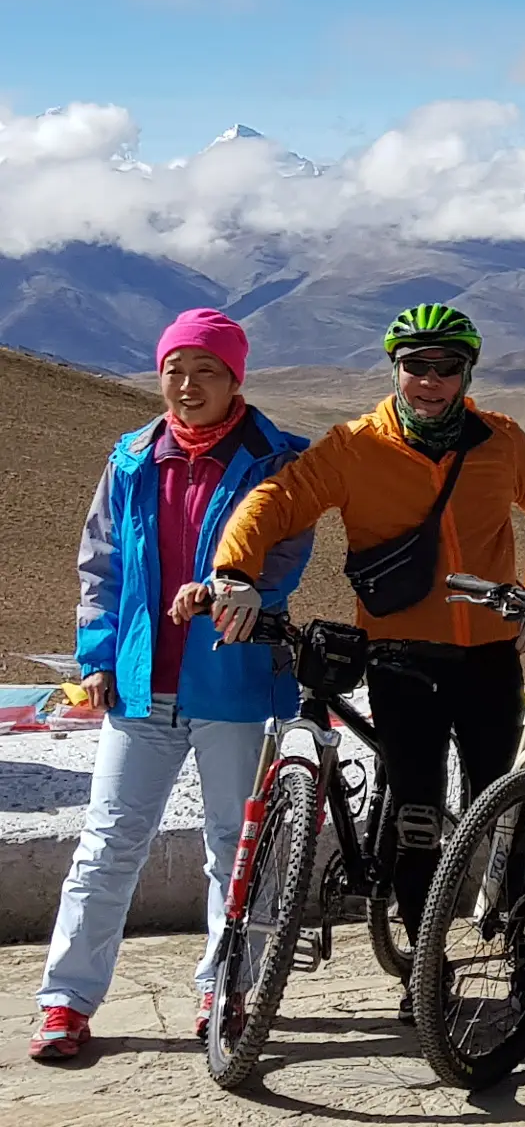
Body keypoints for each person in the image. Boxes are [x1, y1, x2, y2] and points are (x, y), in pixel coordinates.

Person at [208, 304, 525, 1025]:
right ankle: (424, 967)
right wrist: (234, 571)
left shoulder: (500, 440)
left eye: (446, 367)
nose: (430, 381)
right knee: (415, 814)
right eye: (415, 366)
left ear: (466, 373)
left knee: (502, 806)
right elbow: (276, 501)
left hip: (488, 656)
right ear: (395, 369)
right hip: (401, 657)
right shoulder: (355, 446)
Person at [28, 312, 312, 1063]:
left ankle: (227, 987)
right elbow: (101, 567)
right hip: (139, 683)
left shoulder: (277, 459)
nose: (187, 386)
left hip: (233, 680)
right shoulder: (131, 459)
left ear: (235, 379)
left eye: (205, 371)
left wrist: (235, 590)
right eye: (174, 371)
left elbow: (285, 557)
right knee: (108, 845)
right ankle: (65, 1001)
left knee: (235, 849)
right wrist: (96, 657)